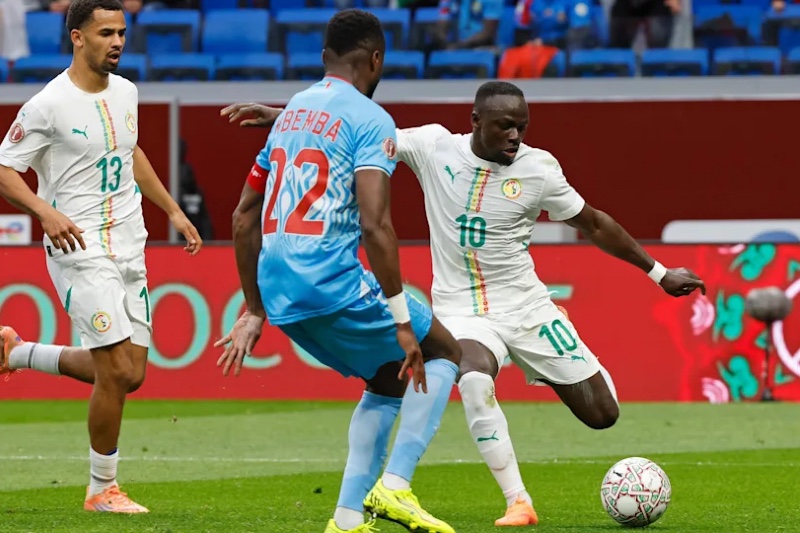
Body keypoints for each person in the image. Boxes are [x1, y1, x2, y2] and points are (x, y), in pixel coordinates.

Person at [221, 81, 707, 528]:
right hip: (461, 311)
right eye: (505, 126)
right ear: (475, 120)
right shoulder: (434, 145)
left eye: (522, 127)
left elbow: (595, 223)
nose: (515, 136)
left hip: (527, 306)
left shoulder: (540, 169)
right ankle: (518, 502)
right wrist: (285, 117)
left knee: (603, 414)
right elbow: (359, 132)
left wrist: (660, 273)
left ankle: (553, 351)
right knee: (470, 374)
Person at [214, 10, 461, 533]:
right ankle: (395, 487)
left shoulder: (292, 113)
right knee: (443, 351)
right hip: (330, 281)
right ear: (377, 60)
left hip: (279, 294)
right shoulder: (373, 120)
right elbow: (376, 225)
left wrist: (254, 308)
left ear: (325, 57)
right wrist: (401, 320)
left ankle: (347, 520)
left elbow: (242, 217)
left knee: (385, 376)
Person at [0, 0, 202, 513]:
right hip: (79, 246)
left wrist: (173, 211)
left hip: (130, 240)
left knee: (131, 373)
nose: (117, 42)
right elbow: (4, 169)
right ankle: (101, 489)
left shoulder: (127, 91)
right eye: (106, 33)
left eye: (121, 32)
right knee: (114, 370)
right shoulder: (47, 104)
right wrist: (45, 212)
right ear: (77, 37)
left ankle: (17, 353)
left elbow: (130, 153)